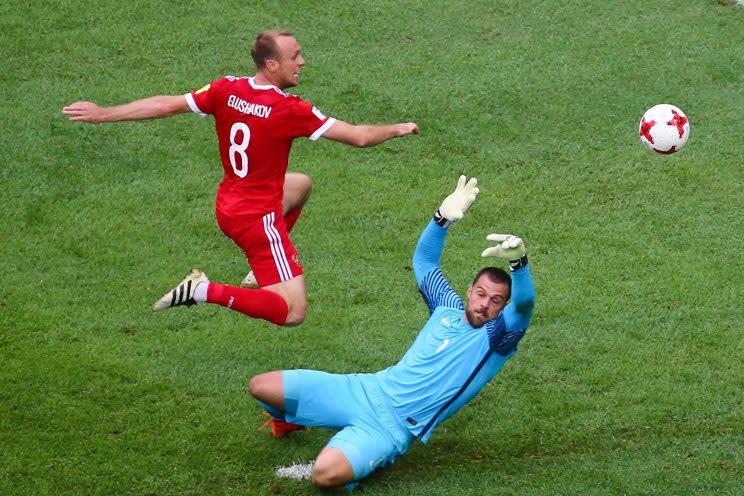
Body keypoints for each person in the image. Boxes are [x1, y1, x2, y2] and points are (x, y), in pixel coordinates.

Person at [62, 29, 419, 327]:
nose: (302, 62)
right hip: (257, 219)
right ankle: (203, 289)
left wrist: (103, 114)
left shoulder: (226, 89)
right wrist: (398, 128)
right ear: (271, 64)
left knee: (300, 184)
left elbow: (164, 105)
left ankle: (257, 269)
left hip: (229, 205)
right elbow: (358, 137)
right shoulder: (289, 110)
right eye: (294, 56)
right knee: (292, 313)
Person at [248, 175, 536, 490]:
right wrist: (441, 218)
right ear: (470, 291)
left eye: (496, 301)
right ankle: (287, 421)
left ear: (502, 307)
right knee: (261, 386)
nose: (484, 305)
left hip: (391, 427)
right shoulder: (445, 307)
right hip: (366, 389)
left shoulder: (497, 338)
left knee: (325, 475)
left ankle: (366, 460)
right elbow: (424, 261)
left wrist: (519, 264)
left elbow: (524, 305)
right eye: (481, 294)